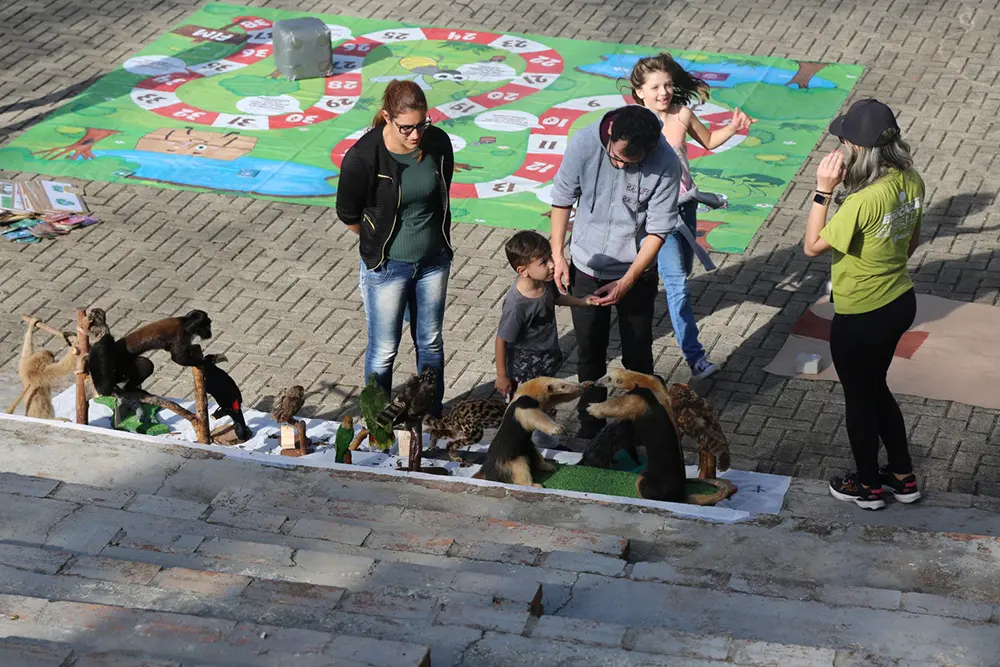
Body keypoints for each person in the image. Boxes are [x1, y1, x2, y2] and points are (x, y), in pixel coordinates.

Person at [549, 104, 715, 438]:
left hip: (635, 270)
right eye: (617, 158)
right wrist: (558, 253)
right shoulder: (583, 142)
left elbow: (657, 230)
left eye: (630, 163)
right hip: (585, 263)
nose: (621, 166)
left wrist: (627, 280)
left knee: (638, 354)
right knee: (589, 352)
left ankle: (640, 426)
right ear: (610, 135)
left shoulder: (666, 162)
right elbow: (562, 199)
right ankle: (590, 424)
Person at [802, 98, 923, 510]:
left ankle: (868, 486)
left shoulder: (860, 201)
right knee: (876, 387)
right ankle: (903, 478)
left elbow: (812, 246)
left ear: (858, 149)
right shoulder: (912, 179)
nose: (838, 146)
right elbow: (913, 243)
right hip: (900, 302)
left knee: (859, 397)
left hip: (861, 315)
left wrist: (822, 190)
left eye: (843, 140)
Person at [629, 53, 756, 380]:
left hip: (686, 207)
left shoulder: (682, 114)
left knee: (682, 272)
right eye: (655, 87)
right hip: (659, 216)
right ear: (639, 91)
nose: (664, 92)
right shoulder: (633, 123)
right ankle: (695, 358)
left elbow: (710, 141)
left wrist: (734, 126)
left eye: (668, 85)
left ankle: (644, 274)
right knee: (678, 285)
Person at [335, 79, 454, 414]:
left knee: (430, 344)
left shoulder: (439, 144)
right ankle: (377, 423)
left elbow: (440, 196)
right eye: (406, 128)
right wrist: (376, 240)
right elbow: (347, 213)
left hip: (433, 263)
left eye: (421, 125)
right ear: (387, 117)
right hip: (387, 267)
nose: (415, 135)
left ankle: (431, 417)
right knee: (385, 349)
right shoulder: (363, 157)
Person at [495, 231, 600, 401]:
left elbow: (556, 298)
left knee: (546, 402)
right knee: (521, 411)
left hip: (547, 359)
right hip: (523, 371)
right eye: (544, 262)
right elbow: (502, 339)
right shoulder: (517, 305)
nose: (552, 264)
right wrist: (501, 376)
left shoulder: (545, 281)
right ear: (523, 271)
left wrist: (582, 302)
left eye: (550, 257)